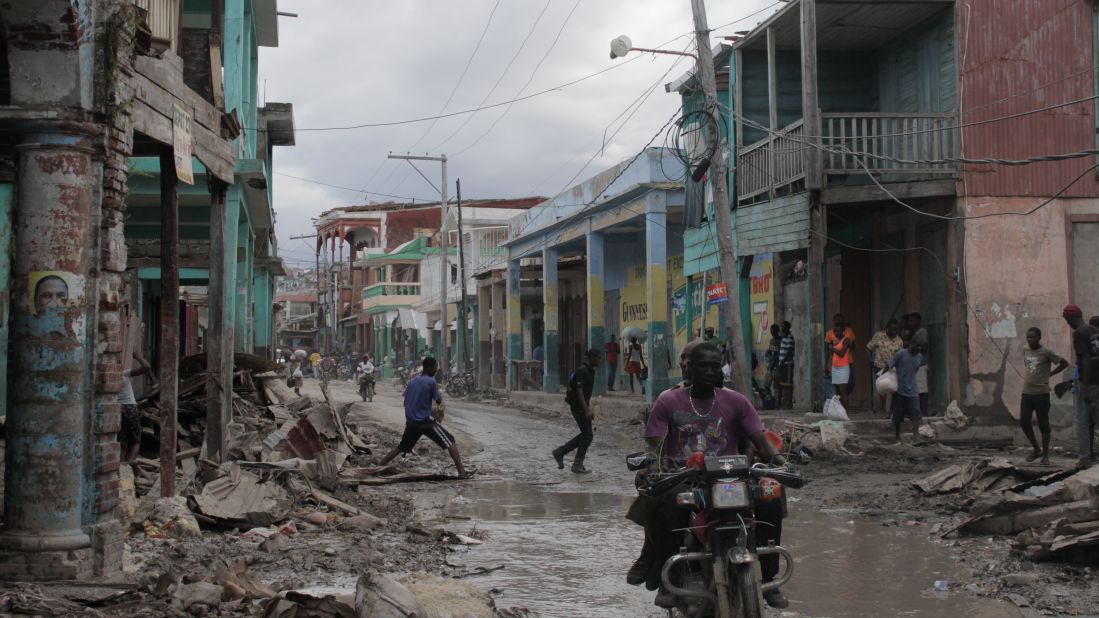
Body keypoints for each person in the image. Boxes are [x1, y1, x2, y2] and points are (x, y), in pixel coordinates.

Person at [639, 343, 788, 609]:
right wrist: (656, 465)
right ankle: (669, 577)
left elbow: (760, 441)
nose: (710, 371)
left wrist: (779, 461)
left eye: (715, 365)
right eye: (703, 365)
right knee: (662, 504)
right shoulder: (669, 401)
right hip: (686, 476)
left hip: (731, 476)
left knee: (772, 496)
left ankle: (768, 578)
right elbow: (655, 445)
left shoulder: (737, 401)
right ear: (689, 368)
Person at [378, 357, 476, 479]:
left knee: (401, 447)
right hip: (424, 421)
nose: (436, 370)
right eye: (435, 367)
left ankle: (378, 467)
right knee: (450, 441)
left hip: (411, 421)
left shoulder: (413, 381)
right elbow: (439, 400)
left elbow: (406, 400)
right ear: (429, 368)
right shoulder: (431, 382)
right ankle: (462, 472)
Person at [1019, 327, 1068, 464]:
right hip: (1027, 392)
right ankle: (1036, 449)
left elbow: (1064, 363)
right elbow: (1028, 367)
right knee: (1024, 421)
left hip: (1041, 394)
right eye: (1028, 337)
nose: (1029, 340)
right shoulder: (1025, 350)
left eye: (1032, 337)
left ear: (1039, 338)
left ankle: (1045, 456)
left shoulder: (1046, 352)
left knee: (1043, 424)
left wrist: (1051, 374)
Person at [552, 348, 601, 474]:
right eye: (598, 357)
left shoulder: (590, 371)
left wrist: (589, 408)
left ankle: (561, 453)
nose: (600, 360)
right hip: (578, 407)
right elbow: (579, 391)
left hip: (583, 407)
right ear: (591, 357)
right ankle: (575, 463)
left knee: (587, 435)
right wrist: (586, 410)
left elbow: (585, 393)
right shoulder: (582, 371)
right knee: (588, 435)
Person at [1063, 304, 1099, 469]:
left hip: (1088, 382)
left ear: (1069, 319)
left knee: (1082, 420)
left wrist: (1083, 386)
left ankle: (1085, 458)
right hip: (1097, 382)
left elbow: (1085, 358)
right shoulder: (1093, 330)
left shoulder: (1078, 333)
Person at [887, 340, 927, 442]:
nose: (917, 349)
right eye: (916, 346)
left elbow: (915, 370)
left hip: (913, 389)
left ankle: (916, 435)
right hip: (900, 389)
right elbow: (889, 365)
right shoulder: (900, 354)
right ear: (910, 344)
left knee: (916, 413)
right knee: (898, 414)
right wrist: (882, 376)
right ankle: (897, 436)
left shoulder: (919, 357)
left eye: (919, 347)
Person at [118, 350, 153, 463]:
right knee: (135, 441)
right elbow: (147, 367)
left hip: (117, 409)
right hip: (130, 409)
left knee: (121, 439)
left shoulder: (107, 377)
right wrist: (138, 357)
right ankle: (128, 464)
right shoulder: (124, 373)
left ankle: (121, 464)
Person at [867, 320, 904, 414]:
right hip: (880, 366)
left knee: (893, 388)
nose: (894, 332)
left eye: (896, 330)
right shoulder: (878, 336)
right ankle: (883, 410)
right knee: (882, 387)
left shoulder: (899, 340)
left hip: (893, 368)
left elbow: (901, 355)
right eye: (892, 330)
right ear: (887, 328)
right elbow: (868, 348)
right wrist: (870, 360)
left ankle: (892, 410)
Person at [824, 315, 855, 409]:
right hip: (835, 366)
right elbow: (828, 352)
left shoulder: (848, 334)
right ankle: (839, 410)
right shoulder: (830, 334)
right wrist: (827, 365)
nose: (836, 332)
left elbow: (851, 347)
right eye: (836, 320)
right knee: (837, 390)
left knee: (846, 387)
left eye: (840, 320)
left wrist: (836, 347)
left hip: (846, 364)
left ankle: (844, 410)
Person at [906, 313, 931, 417]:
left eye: (912, 320)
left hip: (921, 363)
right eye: (909, 321)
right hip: (915, 364)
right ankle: (916, 411)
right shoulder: (914, 332)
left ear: (918, 321)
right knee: (916, 389)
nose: (910, 323)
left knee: (922, 389)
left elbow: (924, 346)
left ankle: (923, 411)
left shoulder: (922, 332)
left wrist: (912, 346)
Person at [777, 321, 795, 409]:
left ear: (787, 328)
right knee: (783, 384)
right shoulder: (783, 338)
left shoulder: (790, 338)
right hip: (783, 364)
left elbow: (789, 352)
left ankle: (788, 403)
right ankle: (784, 402)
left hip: (787, 364)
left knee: (788, 384)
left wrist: (782, 362)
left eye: (783, 327)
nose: (782, 328)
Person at [765, 323, 782, 397]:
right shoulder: (771, 340)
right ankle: (770, 399)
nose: (772, 333)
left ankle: (777, 401)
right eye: (771, 331)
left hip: (778, 366)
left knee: (777, 386)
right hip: (771, 365)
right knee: (766, 384)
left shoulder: (781, 340)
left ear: (777, 331)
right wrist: (768, 352)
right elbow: (770, 351)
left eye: (774, 331)